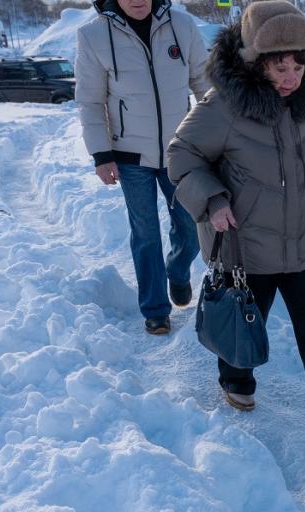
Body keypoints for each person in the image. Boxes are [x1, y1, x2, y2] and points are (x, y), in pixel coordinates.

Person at [166, 0, 305, 454]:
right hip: (248, 247)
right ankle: (235, 379)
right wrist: (213, 200)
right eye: (280, 68)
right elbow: (181, 155)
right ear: (255, 61)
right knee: (243, 322)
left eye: (299, 67)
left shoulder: (304, 104)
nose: (291, 78)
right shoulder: (223, 107)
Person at [75, 0, 209, 334]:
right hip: (129, 155)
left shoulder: (182, 25)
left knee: (192, 225)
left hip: (180, 151)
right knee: (145, 233)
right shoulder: (94, 36)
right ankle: (155, 309)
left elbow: (205, 84)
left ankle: (177, 271)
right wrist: (101, 154)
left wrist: (218, 136)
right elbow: (90, 101)